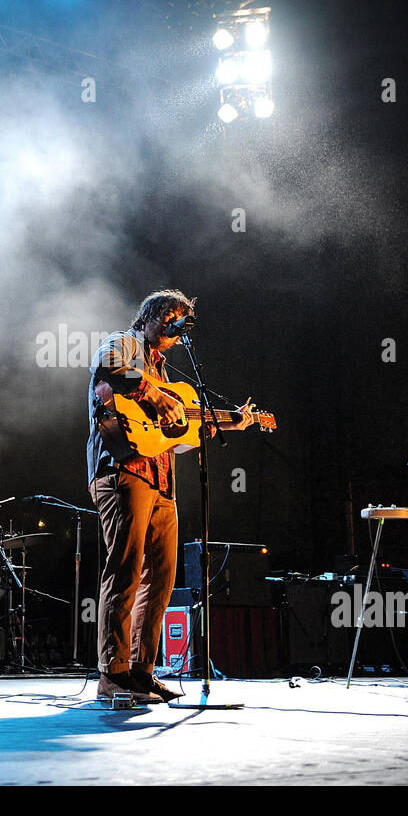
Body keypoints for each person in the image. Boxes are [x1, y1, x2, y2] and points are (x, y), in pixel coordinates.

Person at [87, 289, 256, 704]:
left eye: (180, 320)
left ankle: (142, 671)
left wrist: (229, 424)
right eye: (167, 317)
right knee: (125, 568)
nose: (173, 326)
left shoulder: (170, 374)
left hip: (163, 479)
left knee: (161, 577)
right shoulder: (125, 342)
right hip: (123, 468)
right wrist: (155, 394)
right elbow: (105, 368)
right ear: (149, 317)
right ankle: (113, 672)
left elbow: (178, 433)